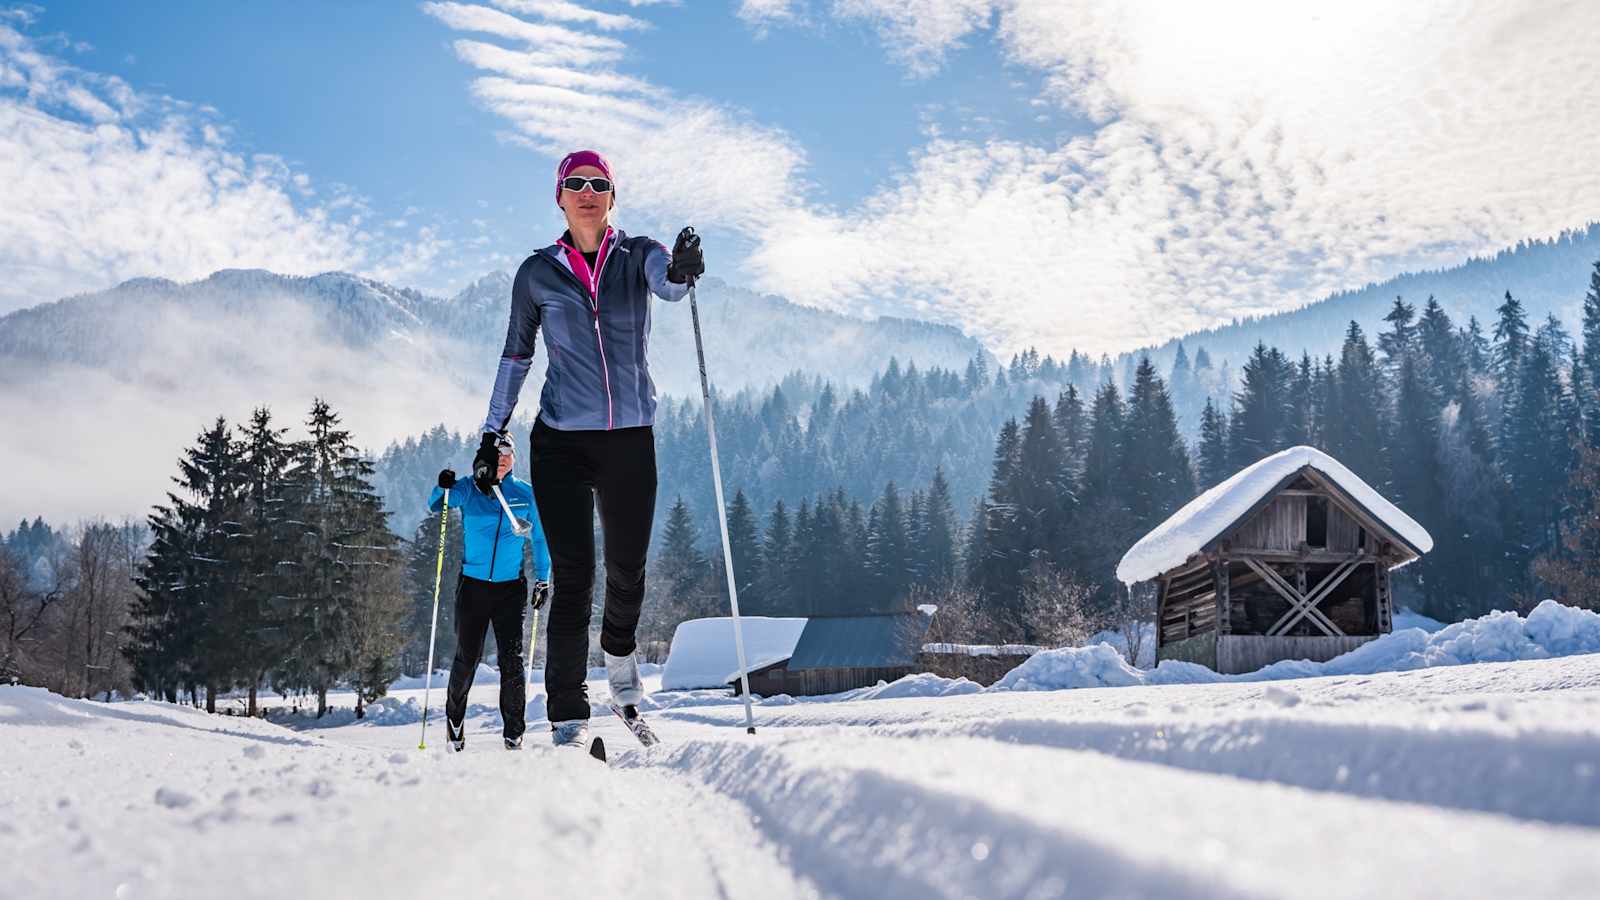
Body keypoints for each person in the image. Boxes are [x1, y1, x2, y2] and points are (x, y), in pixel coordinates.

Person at [472, 149, 705, 748]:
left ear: (610, 196)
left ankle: (622, 671)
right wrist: (493, 433)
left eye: (598, 184)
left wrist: (680, 269)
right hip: (561, 445)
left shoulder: (639, 254)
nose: (587, 191)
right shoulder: (537, 273)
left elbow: (670, 286)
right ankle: (568, 717)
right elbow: (516, 356)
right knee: (573, 575)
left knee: (628, 569)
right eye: (575, 183)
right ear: (559, 196)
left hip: (629, 439)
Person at [429, 434, 552, 751]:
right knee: (466, 658)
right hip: (473, 587)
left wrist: (543, 579)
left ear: (515, 457)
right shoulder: (470, 488)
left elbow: (539, 539)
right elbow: (436, 504)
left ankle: (514, 732)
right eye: (497, 453)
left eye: (508, 452)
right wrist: (443, 485)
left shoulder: (525, 494)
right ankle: (455, 723)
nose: (503, 458)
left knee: (512, 661)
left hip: (511, 588)